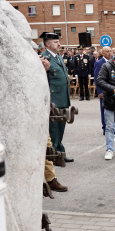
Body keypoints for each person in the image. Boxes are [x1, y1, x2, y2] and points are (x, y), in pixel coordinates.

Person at [40, 32, 74, 163]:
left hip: (63, 98)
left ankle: (60, 151)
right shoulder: (44, 58)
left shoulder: (58, 57)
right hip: (53, 99)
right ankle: (53, 155)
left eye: (58, 41)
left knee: (61, 127)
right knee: (53, 129)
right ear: (47, 44)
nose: (59, 43)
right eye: (55, 42)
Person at [40, 51, 69, 192]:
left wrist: (45, 72)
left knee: (47, 145)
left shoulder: (46, 65)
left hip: (40, 112)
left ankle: (51, 180)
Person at [94, 46, 112, 135]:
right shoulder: (99, 63)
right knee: (104, 109)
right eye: (107, 51)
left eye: (110, 51)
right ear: (103, 53)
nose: (110, 53)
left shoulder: (113, 62)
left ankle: (111, 127)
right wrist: (100, 92)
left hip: (112, 90)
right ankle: (105, 128)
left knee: (111, 110)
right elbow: (97, 78)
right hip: (104, 91)